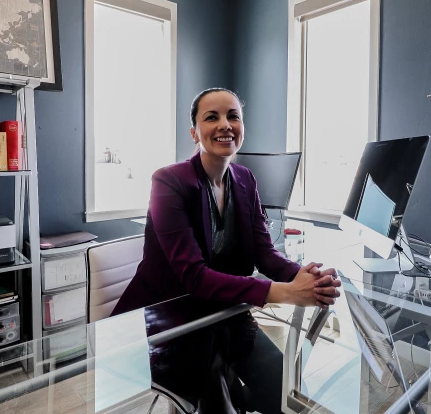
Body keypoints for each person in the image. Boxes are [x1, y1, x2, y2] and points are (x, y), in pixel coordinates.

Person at [112, 88, 341, 413]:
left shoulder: (245, 179)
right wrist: (287, 292)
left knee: (288, 396)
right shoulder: (168, 182)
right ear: (194, 132)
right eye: (211, 117)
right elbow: (194, 277)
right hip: (173, 324)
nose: (225, 124)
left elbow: (265, 254)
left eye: (233, 116)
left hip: (225, 315)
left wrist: (307, 277)